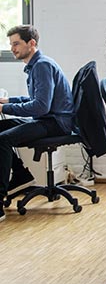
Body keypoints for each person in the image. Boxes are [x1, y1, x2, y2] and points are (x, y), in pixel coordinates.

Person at [0, 25, 74, 222]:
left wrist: (3, 110)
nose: (12, 48)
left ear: (31, 43)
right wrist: (8, 101)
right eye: (11, 44)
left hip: (54, 122)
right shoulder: (36, 65)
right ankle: (21, 176)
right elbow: (35, 99)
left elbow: (40, 107)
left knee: (3, 140)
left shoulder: (41, 65)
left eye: (16, 43)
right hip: (47, 118)